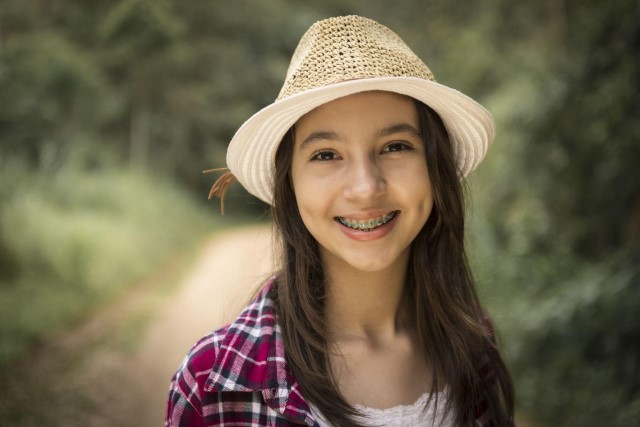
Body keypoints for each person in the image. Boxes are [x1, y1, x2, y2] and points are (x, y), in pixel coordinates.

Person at [166, 15, 514, 427]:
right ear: (289, 184)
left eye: (396, 146)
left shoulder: (472, 343)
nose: (366, 188)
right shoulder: (213, 385)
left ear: (434, 168)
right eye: (326, 154)